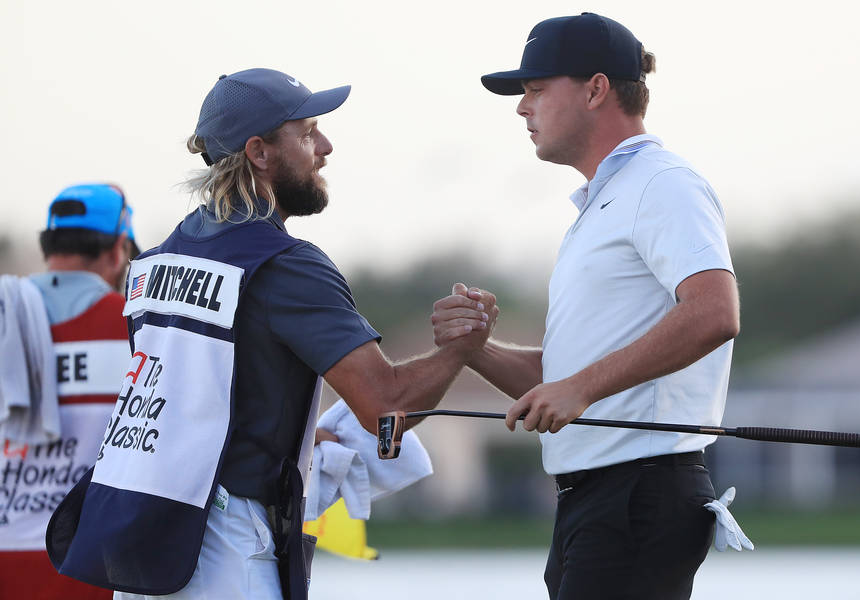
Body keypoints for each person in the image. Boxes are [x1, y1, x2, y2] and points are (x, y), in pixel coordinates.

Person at [46, 68, 496, 600]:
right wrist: (460, 350)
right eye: (306, 133)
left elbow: (195, 400)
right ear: (259, 152)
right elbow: (386, 409)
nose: (325, 146)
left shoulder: (155, 260)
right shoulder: (287, 264)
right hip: (225, 545)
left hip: (146, 540)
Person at [432, 13, 741, 600]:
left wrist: (583, 388)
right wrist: (477, 350)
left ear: (596, 89)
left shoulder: (663, 183)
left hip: (639, 496)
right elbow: (566, 380)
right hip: (597, 500)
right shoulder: (605, 202)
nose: (522, 108)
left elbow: (713, 313)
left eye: (536, 89)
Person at [0, 183, 138, 600]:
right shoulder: (135, 328)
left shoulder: (8, 316)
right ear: (118, 251)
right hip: (86, 566)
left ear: (49, 246)